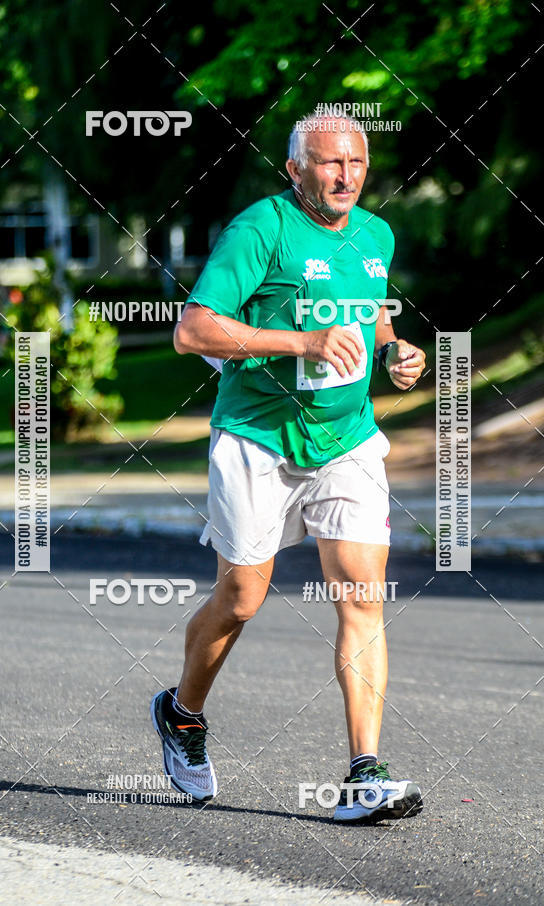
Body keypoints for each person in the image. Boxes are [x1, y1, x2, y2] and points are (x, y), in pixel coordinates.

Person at [151, 110, 427, 822]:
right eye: (330, 164)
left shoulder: (376, 234)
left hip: (347, 441)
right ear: (295, 169)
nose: (346, 177)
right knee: (242, 596)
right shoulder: (261, 229)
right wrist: (303, 343)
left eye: (357, 164)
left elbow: (374, 310)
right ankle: (183, 713)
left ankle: (365, 771)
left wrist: (394, 349)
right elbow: (194, 329)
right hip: (257, 436)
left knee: (363, 597)